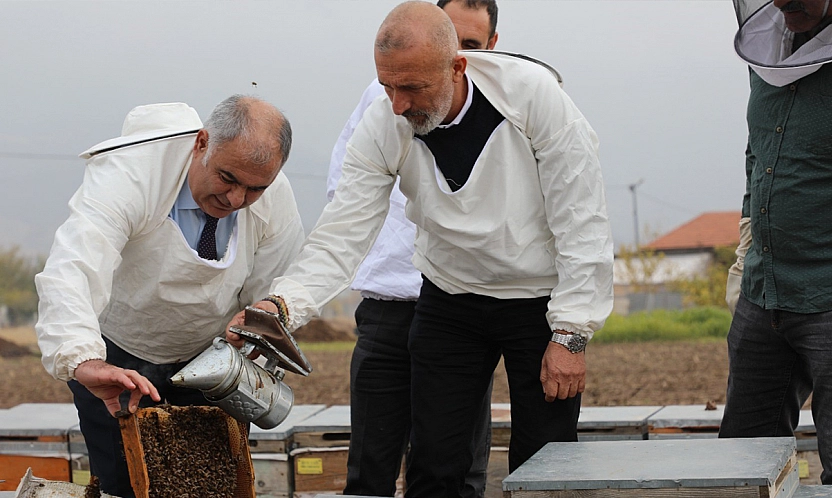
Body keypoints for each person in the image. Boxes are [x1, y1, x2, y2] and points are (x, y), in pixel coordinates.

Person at [229, 2, 613, 495]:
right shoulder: (382, 124)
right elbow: (342, 234)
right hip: (450, 299)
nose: (397, 104)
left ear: (458, 66)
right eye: (387, 86)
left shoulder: (533, 97)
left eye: (411, 88)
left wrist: (572, 333)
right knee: (436, 464)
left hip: (537, 299)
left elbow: (582, 218)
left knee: (546, 463)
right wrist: (279, 307)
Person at [35, 96, 305, 497]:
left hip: (211, 358)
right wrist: (82, 357)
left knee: (213, 483)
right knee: (125, 484)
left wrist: (259, 323)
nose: (235, 200)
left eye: (254, 189)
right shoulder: (131, 175)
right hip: (120, 360)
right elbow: (74, 266)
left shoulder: (273, 196)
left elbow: (275, 285)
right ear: (201, 144)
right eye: (227, 178)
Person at [326, 1, 498, 495]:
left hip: (463, 313)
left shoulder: (509, 109)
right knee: (370, 468)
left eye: (471, 44)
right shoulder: (383, 102)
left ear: (485, 50)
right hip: (390, 306)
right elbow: (347, 191)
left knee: (456, 467)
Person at [722, 0, 832, 484]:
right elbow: (758, 150)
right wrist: (748, 239)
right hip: (763, 292)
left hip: (828, 295)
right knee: (742, 461)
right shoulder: (768, 53)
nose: (788, 4)